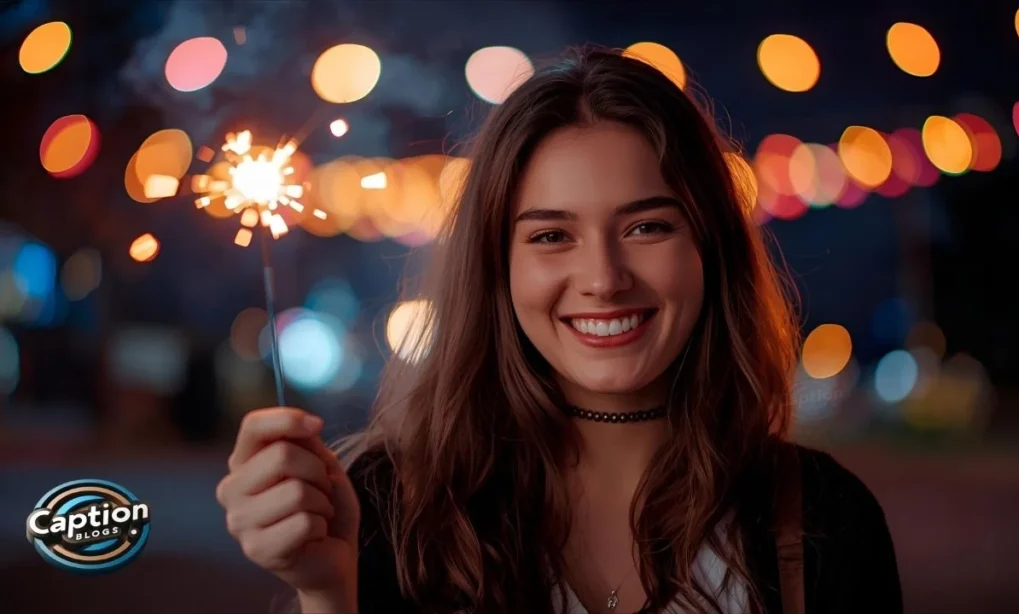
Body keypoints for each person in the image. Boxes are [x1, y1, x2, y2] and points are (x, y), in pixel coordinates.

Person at [215, 46, 903, 614]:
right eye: (551, 235)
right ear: (496, 268)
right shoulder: (385, 508)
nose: (603, 277)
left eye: (646, 226)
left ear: (711, 249)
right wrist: (326, 591)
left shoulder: (824, 518)